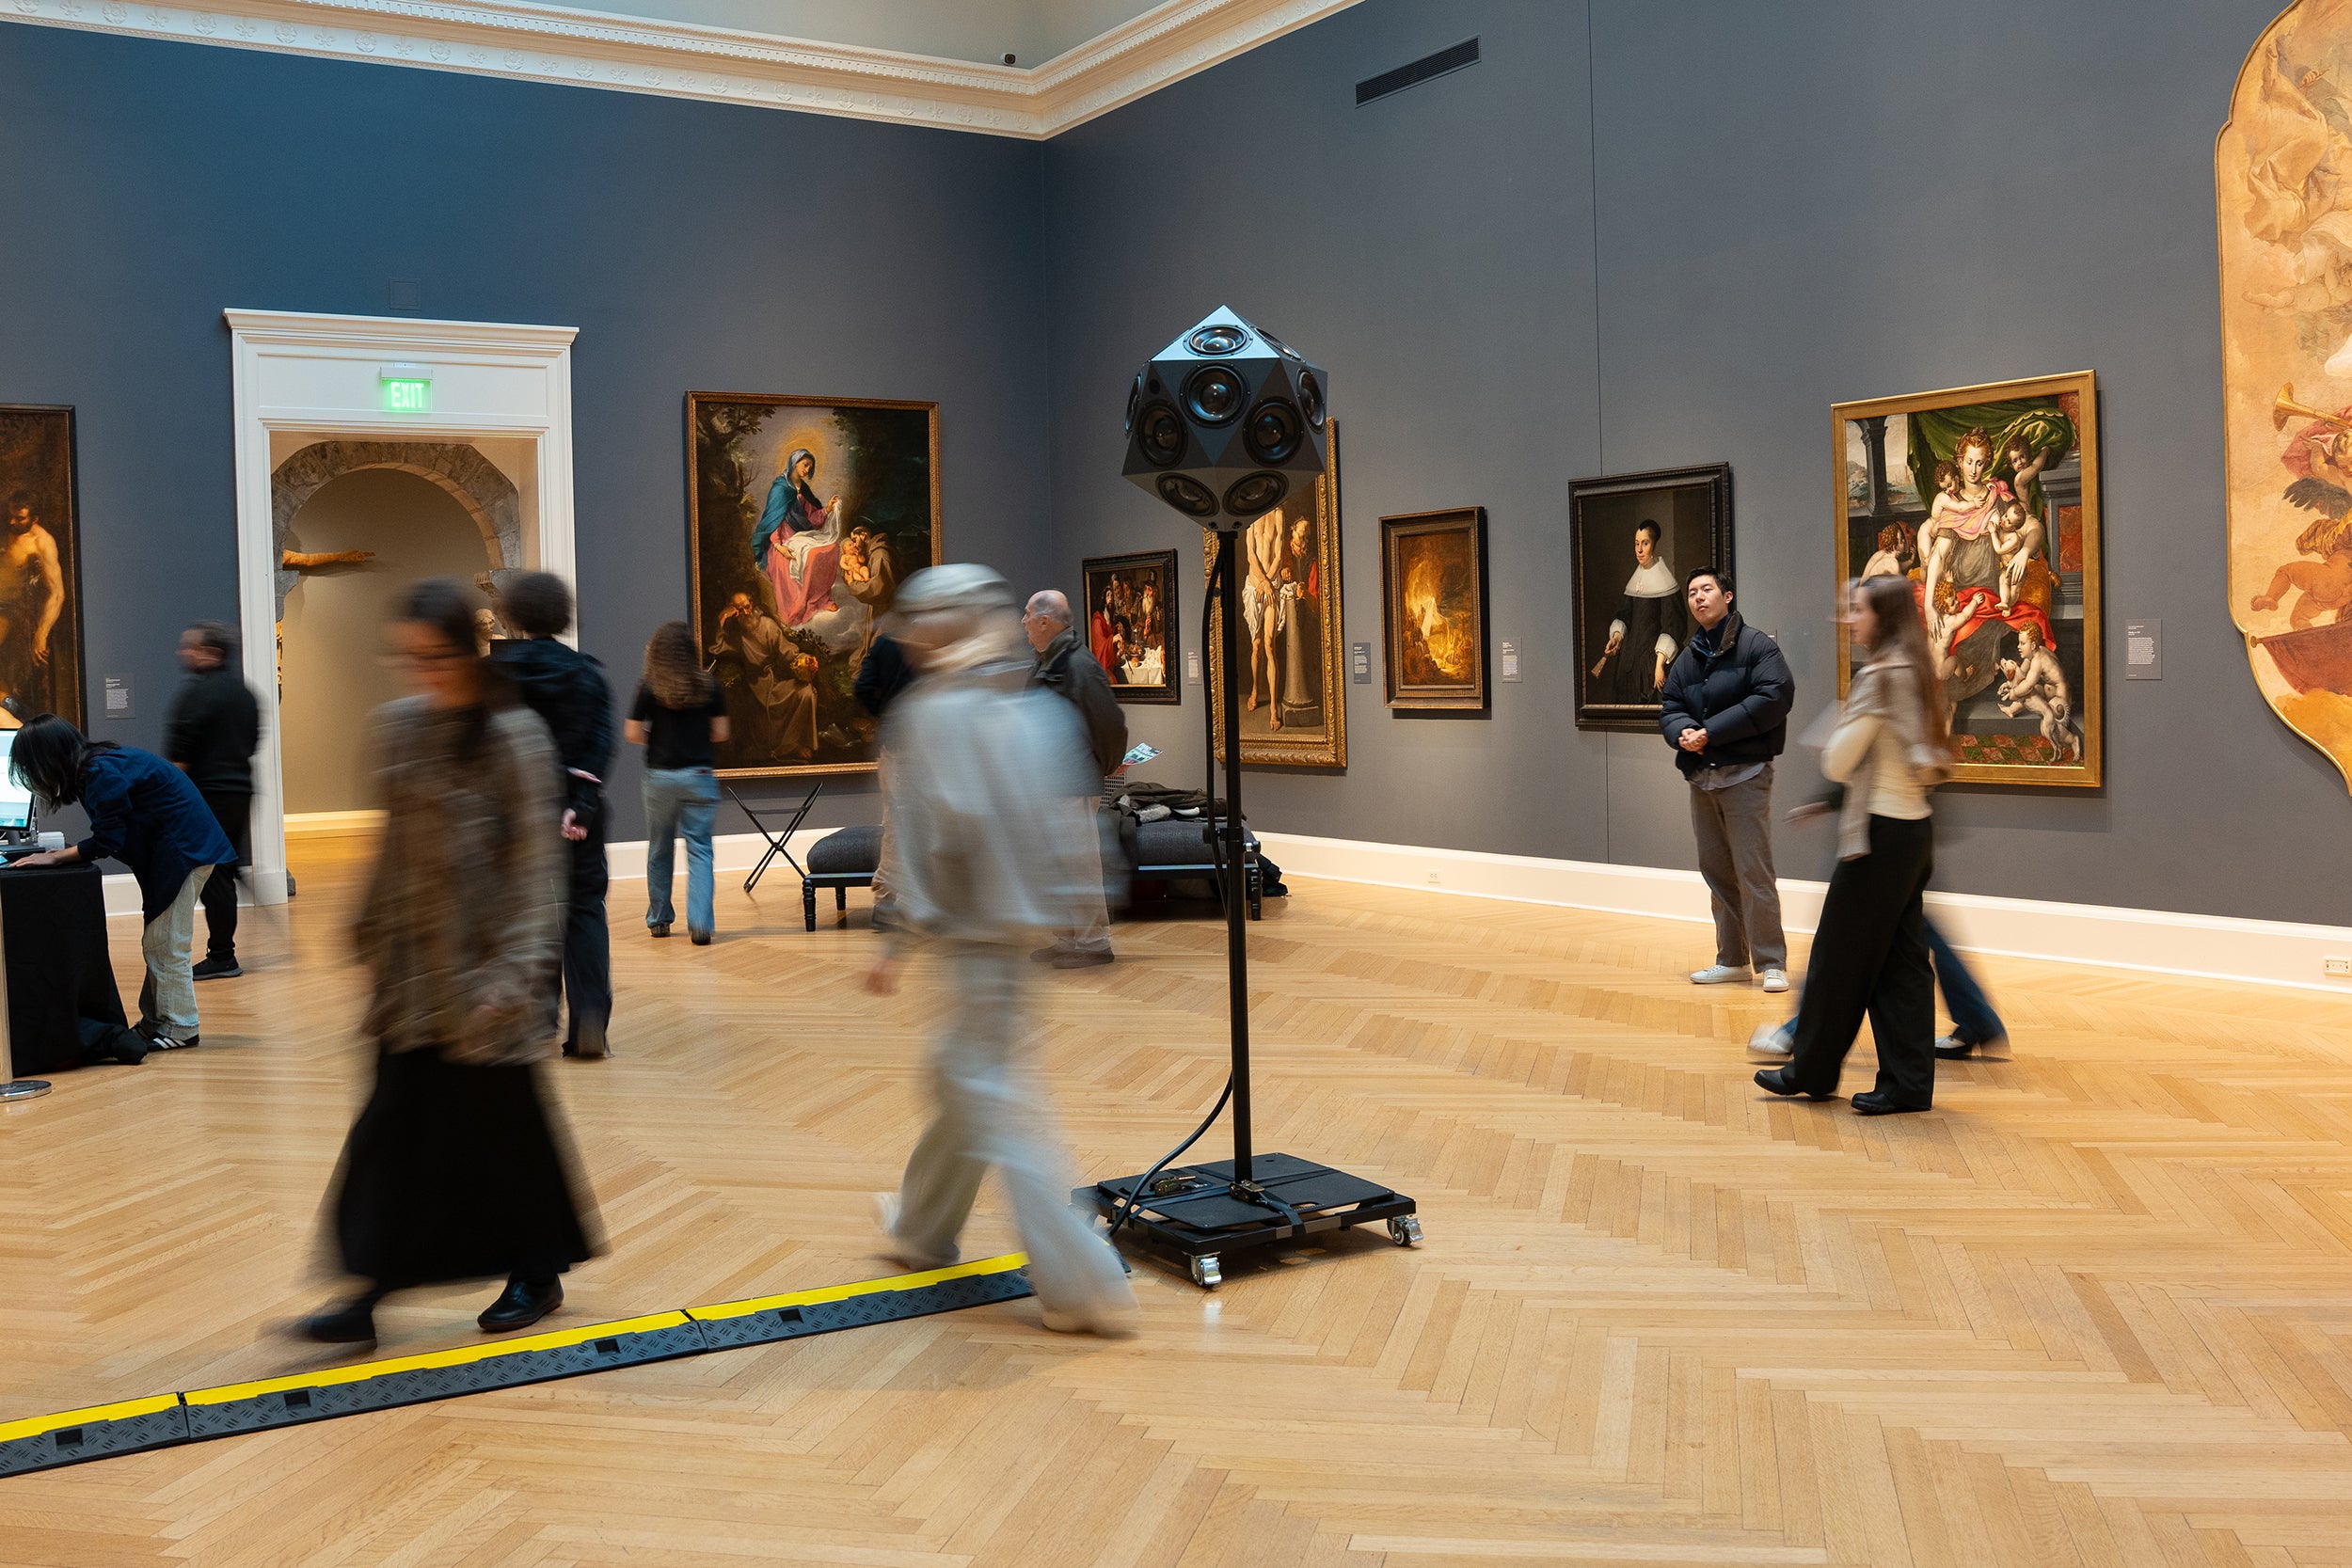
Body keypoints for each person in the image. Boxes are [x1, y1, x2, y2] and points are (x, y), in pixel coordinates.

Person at [301, 578, 598, 1344]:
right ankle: (368, 1286)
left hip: (482, 978)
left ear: (468, 650)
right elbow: (392, 843)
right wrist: (366, 925)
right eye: (407, 658)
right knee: (391, 1130)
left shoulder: (515, 737)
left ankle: (537, 1268)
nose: (420, 671)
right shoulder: (396, 728)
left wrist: (516, 974)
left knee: (505, 1134)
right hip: (410, 973)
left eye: (435, 656)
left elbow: (538, 870)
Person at [864, 564, 1137, 1338]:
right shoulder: (1030, 707)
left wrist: (898, 934)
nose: (911, 637)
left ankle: (1082, 1282)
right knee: (959, 1082)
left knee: (999, 1105)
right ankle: (921, 1229)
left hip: (973, 936)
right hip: (1019, 934)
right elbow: (1068, 830)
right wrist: (1069, 923)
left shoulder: (931, 716)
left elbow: (933, 833)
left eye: (920, 622)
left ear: (943, 626)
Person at [1754, 576, 1951, 1115]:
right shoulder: (1917, 668)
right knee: (1902, 965)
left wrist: (1838, 722)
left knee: (1836, 961)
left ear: (1881, 617)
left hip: (1879, 840)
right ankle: (1907, 1084)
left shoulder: (1880, 677)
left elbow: (1837, 762)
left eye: (1857, 611)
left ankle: (1812, 1071)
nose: (1848, 620)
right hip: (1914, 833)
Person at [8, 716, 233, 1048]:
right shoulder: (99, 765)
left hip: (184, 852)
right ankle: (154, 1022)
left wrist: (55, 856)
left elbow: (108, 840)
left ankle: (180, 1028)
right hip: (177, 852)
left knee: (167, 945)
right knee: (158, 942)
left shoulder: (100, 774)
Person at [490, 572, 615, 1061]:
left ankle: (536, 1017)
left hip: (512, 816)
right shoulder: (587, 674)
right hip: (576, 812)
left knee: (524, 915)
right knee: (583, 911)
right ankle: (588, 1022)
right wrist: (579, 807)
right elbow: (600, 749)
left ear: (515, 614)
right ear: (561, 614)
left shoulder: (496, 674)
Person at [1659, 566, 1793, 993]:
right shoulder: (1688, 655)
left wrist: (1711, 732)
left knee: (1753, 871)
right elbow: (1672, 705)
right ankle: (1732, 959)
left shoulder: (1756, 646)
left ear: (1727, 596)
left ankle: (1771, 961)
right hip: (1703, 778)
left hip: (1746, 775)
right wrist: (1680, 731)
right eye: (1692, 593)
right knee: (1716, 871)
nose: (1698, 597)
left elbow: (1774, 697)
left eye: (1707, 590)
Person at [1023, 588, 1124, 969]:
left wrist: (1106, 764)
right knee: (1057, 864)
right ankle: (1068, 939)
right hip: (1050, 784)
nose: (1024, 622)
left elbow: (1109, 722)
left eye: (1028, 615)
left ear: (1046, 621)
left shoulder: (1078, 664)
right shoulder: (1051, 659)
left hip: (1071, 783)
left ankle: (1094, 943)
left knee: (1079, 866)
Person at [164, 620, 261, 979]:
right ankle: (223, 952)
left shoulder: (196, 694)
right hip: (240, 791)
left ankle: (222, 956)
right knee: (223, 871)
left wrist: (167, 802)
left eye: (191, 647)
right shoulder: (245, 694)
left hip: (206, 796)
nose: (183, 653)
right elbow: (252, 744)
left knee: (213, 876)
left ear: (212, 654)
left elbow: (179, 759)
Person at [627, 622, 727, 945]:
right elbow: (722, 733)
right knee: (700, 849)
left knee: (660, 848)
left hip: (660, 777)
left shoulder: (649, 687)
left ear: (656, 651)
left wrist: (656, 739)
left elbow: (631, 733)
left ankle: (659, 919)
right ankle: (700, 924)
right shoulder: (709, 686)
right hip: (698, 777)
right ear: (691, 652)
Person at [1590, 518, 1685, 705]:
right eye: (1636, 544)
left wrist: (1659, 665)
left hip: (1651, 665)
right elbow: (1624, 614)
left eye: (1645, 543)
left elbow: (1672, 625)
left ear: (1654, 545)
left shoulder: (1666, 583)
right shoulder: (1636, 581)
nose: (1639, 550)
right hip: (1627, 664)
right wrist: (1616, 637)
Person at [752, 448, 845, 627]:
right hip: (781, 539)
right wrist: (779, 546)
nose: (808, 469)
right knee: (805, 557)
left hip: (802, 536)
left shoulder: (804, 489)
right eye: (805, 465)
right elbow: (773, 520)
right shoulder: (780, 488)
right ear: (794, 463)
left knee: (831, 548)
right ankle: (800, 605)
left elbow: (811, 518)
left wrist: (828, 509)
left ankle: (820, 600)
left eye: (810, 466)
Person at [0, 490, 67, 721]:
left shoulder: (42, 542)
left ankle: (22, 718)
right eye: (10, 516)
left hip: (9, 612)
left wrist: (42, 632)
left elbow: (57, 593)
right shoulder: (4, 529)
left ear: (34, 519)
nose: (12, 522)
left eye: (20, 519)